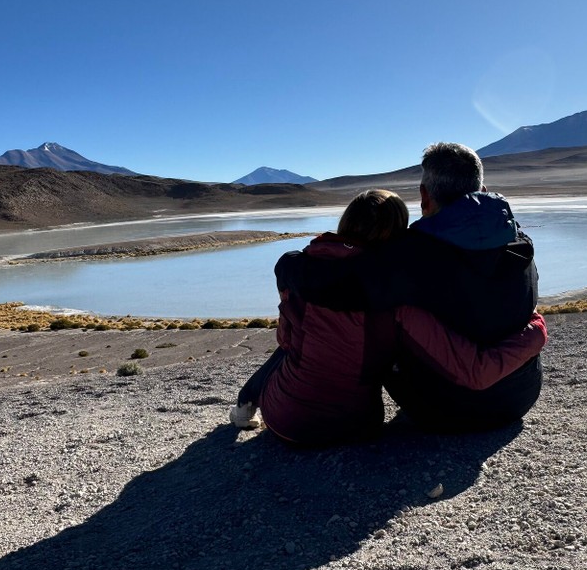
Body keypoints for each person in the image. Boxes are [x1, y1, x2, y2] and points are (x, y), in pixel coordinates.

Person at [230, 188, 546, 445]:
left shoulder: (302, 272)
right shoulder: (396, 298)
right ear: (396, 234)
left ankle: (245, 403)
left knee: (296, 346)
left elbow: (285, 340)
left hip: (283, 422)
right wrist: (535, 330)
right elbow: (473, 369)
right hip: (358, 427)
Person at [275, 143, 541, 431]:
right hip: (521, 397)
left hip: (446, 410)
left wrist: (289, 264)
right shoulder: (518, 242)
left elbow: (337, 287)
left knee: (384, 313)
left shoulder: (411, 255)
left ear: (425, 196)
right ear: (483, 190)